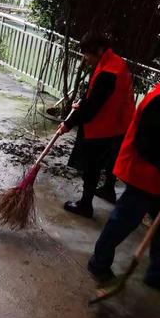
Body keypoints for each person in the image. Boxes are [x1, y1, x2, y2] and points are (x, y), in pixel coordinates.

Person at [87, 57, 160, 294]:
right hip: (142, 171)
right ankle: (99, 263)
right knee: (123, 222)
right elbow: (147, 144)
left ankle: (157, 274)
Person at [58, 32, 135, 218]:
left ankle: (85, 205)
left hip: (106, 125)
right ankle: (108, 189)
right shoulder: (113, 62)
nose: (85, 58)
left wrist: (68, 123)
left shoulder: (108, 72)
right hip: (119, 122)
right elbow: (97, 97)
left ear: (99, 50)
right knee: (109, 160)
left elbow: (93, 108)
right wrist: (82, 103)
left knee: (91, 166)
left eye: (87, 54)